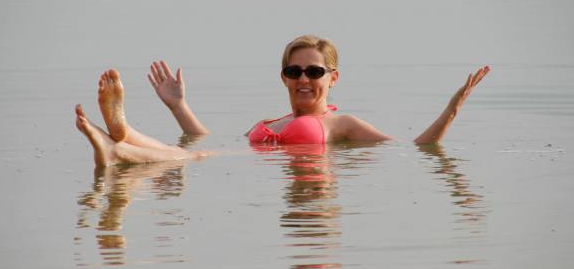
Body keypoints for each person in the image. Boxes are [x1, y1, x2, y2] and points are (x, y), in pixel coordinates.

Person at [75, 35, 489, 165]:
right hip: (236, 164)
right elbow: (205, 140)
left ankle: (117, 147)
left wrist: (451, 111)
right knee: (195, 155)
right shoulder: (269, 122)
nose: (304, 79)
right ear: (284, 78)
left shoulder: (339, 124)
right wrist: (178, 106)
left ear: (333, 78)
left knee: (193, 161)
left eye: (314, 71)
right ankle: (121, 133)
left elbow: (415, 150)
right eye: (294, 71)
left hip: (255, 170)